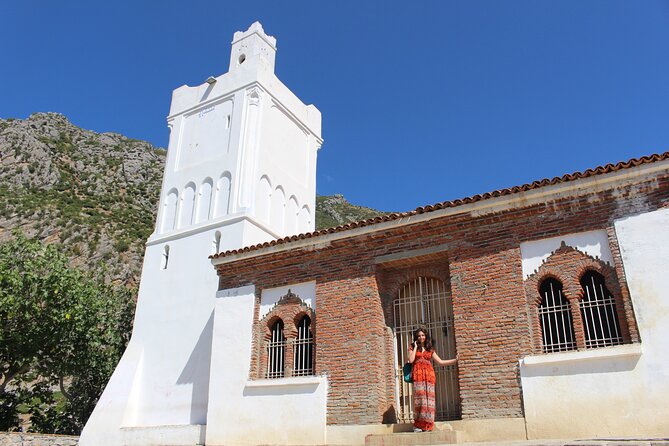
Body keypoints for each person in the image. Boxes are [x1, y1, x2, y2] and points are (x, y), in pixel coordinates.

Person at [407, 327, 458, 433]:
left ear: (426, 336)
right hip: (418, 377)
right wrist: (416, 347)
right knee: (420, 401)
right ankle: (418, 425)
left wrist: (455, 360)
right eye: (419, 335)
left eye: (423, 335)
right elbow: (411, 360)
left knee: (429, 401)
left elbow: (440, 362)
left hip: (429, 377)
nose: (421, 337)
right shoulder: (412, 347)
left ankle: (427, 426)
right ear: (416, 337)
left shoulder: (430, 348)